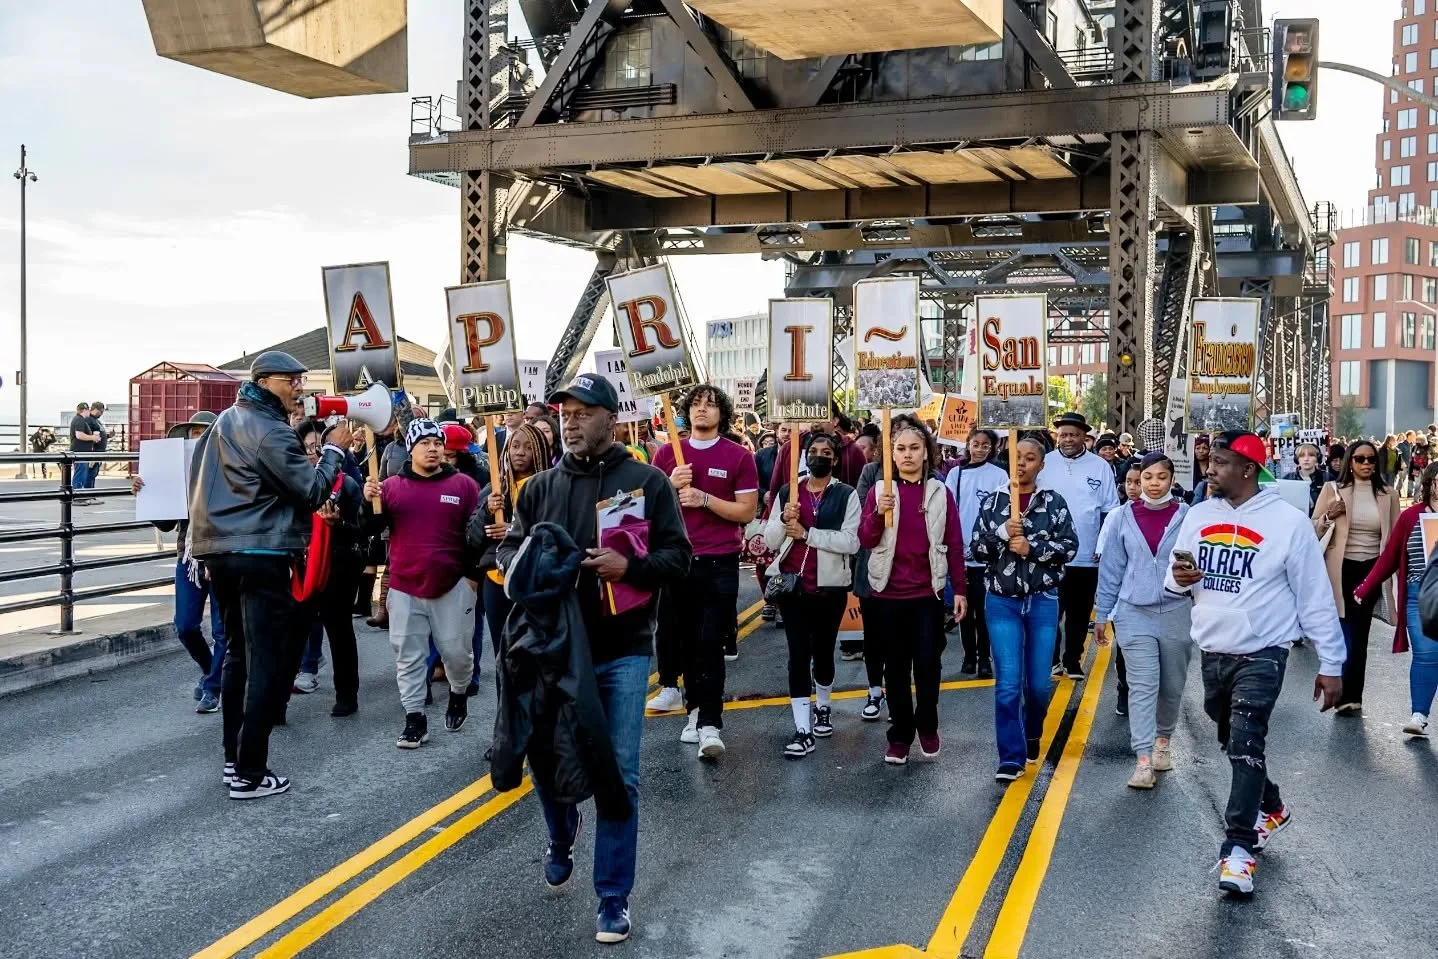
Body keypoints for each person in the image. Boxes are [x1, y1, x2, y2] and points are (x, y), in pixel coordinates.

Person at [496, 373, 690, 945]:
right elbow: (510, 550)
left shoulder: (647, 481)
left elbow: (678, 559)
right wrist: (512, 556)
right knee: (546, 762)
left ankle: (612, 898)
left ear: (612, 417)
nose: (571, 420)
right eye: (564, 412)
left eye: (583, 411)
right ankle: (561, 833)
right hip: (550, 651)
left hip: (621, 651)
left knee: (619, 775)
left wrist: (627, 568)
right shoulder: (536, 489)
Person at [1166, 431, 1344, 895]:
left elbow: (1314, 595)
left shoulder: (1286, 522)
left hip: (1265, 650)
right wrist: (1179, 578)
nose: (1209, 469)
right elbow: (1175, 575)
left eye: (1219, 462)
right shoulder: (1199, 515)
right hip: (1213, 648)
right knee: (1228, 736)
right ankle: (1272, 804)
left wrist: (1333, 663)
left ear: (1247, 469)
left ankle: (1238, 849)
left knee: (1246, 741)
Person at [189, 351, 352, 800]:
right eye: (292, 380)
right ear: (264, 381)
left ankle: (233, 760)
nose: (299, 387)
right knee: (267, 661)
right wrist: (335, 449)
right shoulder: (270, 430)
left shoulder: (223, 422)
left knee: (238, 655)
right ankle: (251, 772)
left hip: (218, 551)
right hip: (261, 550)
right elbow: (312, 490)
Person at [644, 385, 758, 758]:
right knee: (684, 643)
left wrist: (705, 500)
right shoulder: (666, 455)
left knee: (710, 643)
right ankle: (693, 710)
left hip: (719, 560)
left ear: (722, 413)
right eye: (695, 404)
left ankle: (711, 724)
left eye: (710, 404)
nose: (702, 410)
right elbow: (644, 512)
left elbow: (746, 512)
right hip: (677, 562)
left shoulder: (738, 456)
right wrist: (668, 486)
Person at [363, 418, 481, 749]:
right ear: (411, 449)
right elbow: (369, 528)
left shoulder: (464, 486)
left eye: (437, 443)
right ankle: (415, 719)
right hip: (404, 586)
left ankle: (458, 694)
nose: (432, 448)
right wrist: (367, 501)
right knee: (408, 656)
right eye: (424, 443)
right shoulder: (390, 487)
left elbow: (476, 536)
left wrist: (472, 578)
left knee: (458, 654)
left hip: (452, 584)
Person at [970, 435, 1079, 782]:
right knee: (1008, 685)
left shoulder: (1054, 502)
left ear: (1041, 465)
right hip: (1002, 601)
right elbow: (976, 549)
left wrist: (1032, 547)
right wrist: (1001, 533)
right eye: (1017, 457)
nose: (1022, 463)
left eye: (1030, 458)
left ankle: (1032, 732)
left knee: (1038, 686)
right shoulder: (993, 502)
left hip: (1043, 601)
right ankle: (1011, 757)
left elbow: (1070, 547)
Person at [858, 421, 966, 764]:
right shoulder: (879, 490)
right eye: (900, 449)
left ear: (926, 453)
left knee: (928, 665)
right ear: (891, 454)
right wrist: (878, 512)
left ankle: (928, 725)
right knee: (895, 668)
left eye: (914, 448)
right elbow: (865, 539)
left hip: (927, 595)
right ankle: (901, 734)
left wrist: (959, 589)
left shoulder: (939, 491)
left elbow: (954, 542)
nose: (907, 455)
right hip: (887, 595)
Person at [1093, 453, 1191, 789]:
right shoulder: (1122, 517)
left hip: (1178, 610)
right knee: (1143, 686)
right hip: (1133, 612)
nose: (1153, 483)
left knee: (1172, 685)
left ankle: (1163, 741)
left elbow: (1200, 562)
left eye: (1160, 477)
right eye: (1147, 477)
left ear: (1171, 479)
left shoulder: (1187, 516)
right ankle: (1143, 761)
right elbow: (1111, 570)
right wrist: (1102, 615)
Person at [763, 432, 860, 760]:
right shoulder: (788, 491)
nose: (819, 456)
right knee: (797, 654)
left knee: (823, 653)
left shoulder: (847, 495)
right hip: (793, 588)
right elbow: (772, 541)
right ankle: (802, 729)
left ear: (834, 459)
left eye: (826, 452)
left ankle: (823, 706)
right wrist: (783, 517)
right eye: (813, 451)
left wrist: (808, 534)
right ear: (805, 456)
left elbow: (852, 542)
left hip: (830, 588)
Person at [131, 412, 225, 712]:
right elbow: (166, 523)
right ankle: (211, 671)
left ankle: (213, 687)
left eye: (203, 433)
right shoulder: (179, 475)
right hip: (188, 556)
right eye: (193, 434)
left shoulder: (228, 469)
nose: (196, 439)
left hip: (221, 556)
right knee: (185, 625)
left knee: (223, 629)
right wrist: (147, 493)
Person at [1312, 439, 1399, 715]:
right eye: (1360, 459)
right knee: (1345, 628)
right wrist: (1329, 515)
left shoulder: (1389, 494)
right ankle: (1341, 688)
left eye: (1371, 459)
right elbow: (1313, 528)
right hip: (1341, 567)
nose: (1366, 464)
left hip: (1373, 567)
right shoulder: (1333, 490)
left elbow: (1396, 535)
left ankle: (1352, 696)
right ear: (1350, 461)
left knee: (1359, 632)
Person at [1355, 461, 1438, 738]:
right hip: (1420, 595)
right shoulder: (1411, 517)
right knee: (1426, 654)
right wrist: (1365, 587)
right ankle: (1419, 715)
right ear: (1429, 483)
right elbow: (1389, 557)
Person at [291, 419, 367, 716]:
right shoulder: (291, 483)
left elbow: (362, 528)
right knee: (294, 631)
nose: (313, 454)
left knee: (339, 630)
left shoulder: (346, 484)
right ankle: (278, 700)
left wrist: (339, 524)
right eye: (307, 448)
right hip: (301, 567)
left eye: (318, 447)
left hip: (338, 565)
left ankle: (347, 695)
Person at [468, 422, 553, 682]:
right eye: (515, 446)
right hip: (496, 580)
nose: (520, 452)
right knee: (503, 653)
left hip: (533, 581)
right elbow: (471, 538)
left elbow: (553, 532)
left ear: (540, 451)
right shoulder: (496, 488)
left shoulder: (549, 487)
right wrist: (486, 509)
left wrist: (514, 530)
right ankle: (507, 716)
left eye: (528, 447)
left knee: (534, 652)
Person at [1039, 411, 1120, 679]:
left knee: (1079, 611)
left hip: (1086, 555)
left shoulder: (1100, 466)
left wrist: (1103, 546)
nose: (1068, 439)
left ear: (1084, 437)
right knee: (1050, 611)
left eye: (1074, 435)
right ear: (1057, 436)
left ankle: (1072, 659)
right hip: (1049, 554)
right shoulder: (1045, 463)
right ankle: (1051, 659)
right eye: (1063, 435)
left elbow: (1110, 511)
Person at [946, 429, 1007, 680]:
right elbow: (948, 510)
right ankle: (968, 656)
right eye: (975, 444)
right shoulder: (956, 473)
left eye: (985, 445)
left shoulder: (999, 475)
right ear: (968, 445)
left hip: (987, 555)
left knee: (984, 611)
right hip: (960, 553)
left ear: (992, 448)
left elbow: (1002, 511)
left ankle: (984, 657)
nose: (980, 449)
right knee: (964, 609)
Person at [766, 407, 868, 496]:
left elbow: (862, 492)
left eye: (822, 412)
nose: (816, 418)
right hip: (794, 514)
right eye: (812, 412)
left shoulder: (853, 450)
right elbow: (775, 490)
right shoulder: (789, 448)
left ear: (835, 420)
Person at [68, 402, 100, 499]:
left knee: (82, 473)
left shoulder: (79, 419)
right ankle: (77, 496)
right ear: (85, 410)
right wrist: (93, 437)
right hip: (80, 451)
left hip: (81, 451)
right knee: (80, 473)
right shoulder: (79, 420)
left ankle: (78, 495)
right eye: (88, 410)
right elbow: (79, 435)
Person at [1283, 442, 1326, 513]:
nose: (1306, 459)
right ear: (1297, 459)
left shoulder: (1327, 478)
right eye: (1302, 456)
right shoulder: (1288, 479)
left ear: (1317, 458)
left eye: (1311, 455)